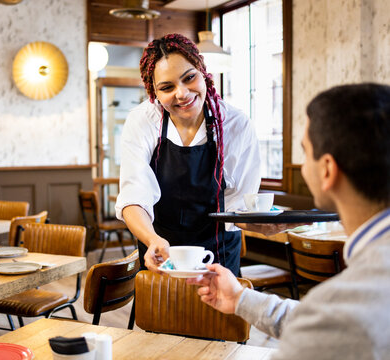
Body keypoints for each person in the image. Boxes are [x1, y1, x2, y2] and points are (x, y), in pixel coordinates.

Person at [189, 83, 390, 359]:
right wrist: (240, 299)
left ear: (328, 170)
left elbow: (330, 323)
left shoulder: (350, 306)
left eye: (305, 152)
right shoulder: (353, 302)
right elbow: (325, 320)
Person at [115, 33, 261, 276]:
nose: (181, 94)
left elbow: (239, 206)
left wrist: (262, 225)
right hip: (160, 253)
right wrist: (152, 239)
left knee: (218, 313)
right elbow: (134, 196)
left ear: (203, 73)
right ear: (155, 93)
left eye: (189, 78)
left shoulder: (235, 124)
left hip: (218, 255)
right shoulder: (143, 121)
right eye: (167, 87)